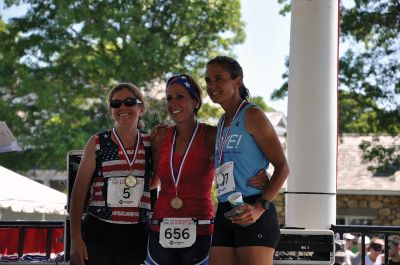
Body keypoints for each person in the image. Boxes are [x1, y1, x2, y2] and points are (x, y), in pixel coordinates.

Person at [144, 74, 269, 265]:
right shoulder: (160, 136)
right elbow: (153, 182)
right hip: (161, 225)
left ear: (195, 101)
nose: (173, 103)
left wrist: (263, 175)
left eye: (180, 96)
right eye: (169, 98)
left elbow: (238, 161)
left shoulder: (212, 134)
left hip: (200, 225)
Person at [205, 56, 289, 265]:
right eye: (207, 80)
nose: (212, 85)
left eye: (218, 78)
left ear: (237, 81)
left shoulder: (252, 115)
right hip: (226, 209)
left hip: (254, 207)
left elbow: (283, 167)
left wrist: (261, 206)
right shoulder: (222, 121)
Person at [69, 83, 153, 265]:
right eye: (116, 104)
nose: (122, 107)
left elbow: (155, 182)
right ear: (110, 111)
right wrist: (75, 240)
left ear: (142, 108)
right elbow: (78, 194)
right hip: (99, 231)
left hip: (137, 233)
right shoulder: (97, 142)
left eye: (130, 102)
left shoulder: (151, 142)